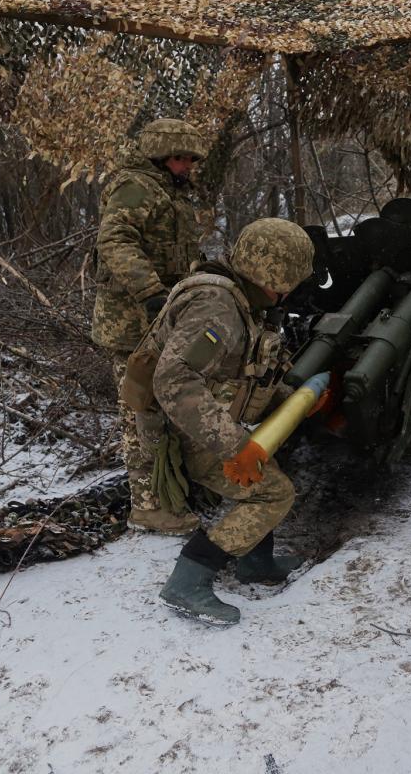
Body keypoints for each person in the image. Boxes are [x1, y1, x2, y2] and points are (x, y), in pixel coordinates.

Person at [124, 218, 316, 626]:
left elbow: (243, 373)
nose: (290, 292)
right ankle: (187, 581)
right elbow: (174, 381)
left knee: (266, 467)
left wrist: (292, 401)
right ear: (271, 278)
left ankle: (255, 562)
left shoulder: (239, 299)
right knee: (273, 493)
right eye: (288, 283)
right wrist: (235, 446)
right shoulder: (217, 307)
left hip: (202, 421)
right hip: (182, 431)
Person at [92, 118, 208, 535]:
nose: (187, 166)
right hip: (131, 324)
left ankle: (174, 489)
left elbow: (177, 251)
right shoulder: (136, 187)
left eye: (190, 159)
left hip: (163, 320)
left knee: (170, 407)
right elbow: (114, 240)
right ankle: (147, 506)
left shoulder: (169, 191)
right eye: (180, 158)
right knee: (139, 413)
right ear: (159, 156)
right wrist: (151, 292)